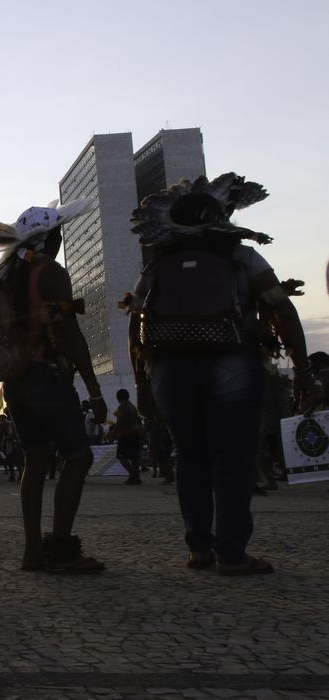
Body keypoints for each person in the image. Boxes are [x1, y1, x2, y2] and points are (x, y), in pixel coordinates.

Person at [128, 173, 319, 575]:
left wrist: (143, 384)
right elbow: (282, 309)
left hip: (170, 369)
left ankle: (199, 547)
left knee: (189, 455)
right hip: (231, 361)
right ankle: (231, 553)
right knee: (232, 457)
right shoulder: (241, 257)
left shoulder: (158, 264)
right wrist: (301, 369)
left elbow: (136, 323)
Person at [0, 198, 106, 573]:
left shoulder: (8, 275)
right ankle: (61, 549)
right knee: (78, 457)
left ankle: (32, 552)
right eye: (58, 234)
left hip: (15, 382)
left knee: (35, 460)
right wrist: (94, 389)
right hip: (46, 376)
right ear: (49, 237)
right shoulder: (49, 272)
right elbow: (70, 334)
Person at [113, 389, 142, 485]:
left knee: (122, 457)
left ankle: (133, 475)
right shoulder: (133, 407)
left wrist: (113, 434)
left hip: (126, 435)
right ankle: (135, 477)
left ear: (118, 398)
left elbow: (119, 423)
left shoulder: (121, 408)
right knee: (134, 458)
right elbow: (138, 421)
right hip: (135, 434)